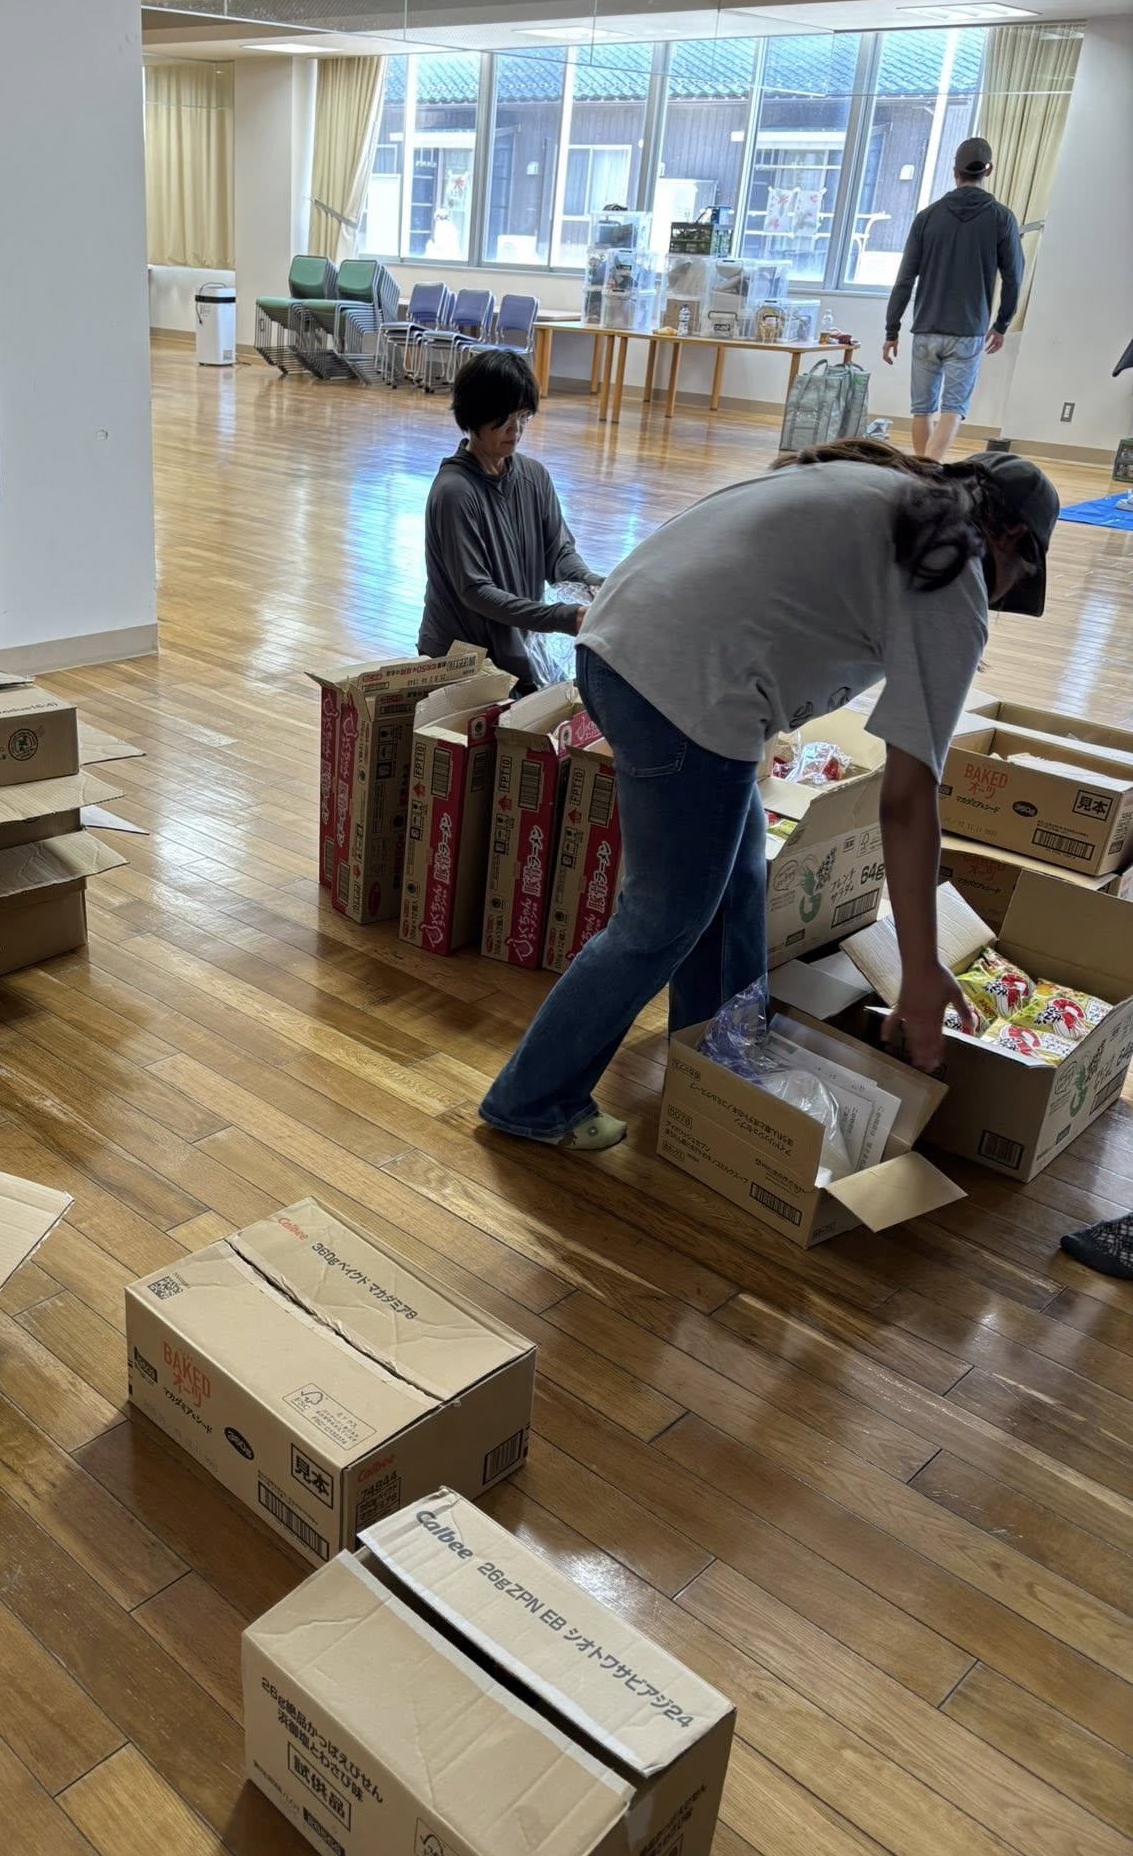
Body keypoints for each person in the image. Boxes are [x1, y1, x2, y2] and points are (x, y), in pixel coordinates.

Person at [479, 440, 1059, 1153]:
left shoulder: (889, 489)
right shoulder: (953, 562)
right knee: (663, 917)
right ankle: (532, 1098)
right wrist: (919, 967)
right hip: (683, 685)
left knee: (735, 876)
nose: (1002, 599)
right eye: (1019, 578)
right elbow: (908, 801)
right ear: (1011, 539)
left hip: (624, 649)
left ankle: (720, 1062)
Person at [418, 350, 602, 694]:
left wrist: (596, 585)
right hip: (460, 662)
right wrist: (564, 617)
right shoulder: (454, 492)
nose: (515, 429)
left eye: (523, 416)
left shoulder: (534, 476)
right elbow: (476, 591)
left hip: (515, 656)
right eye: (504, 418)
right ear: (474, 416)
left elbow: (559, 555)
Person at [882, 137, 1024, 462]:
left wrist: (892, 330)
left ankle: (923, 473)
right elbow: (1014, 277)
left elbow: (904, 279)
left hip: (926, 328)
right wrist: (1001, 324)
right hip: (968, 330)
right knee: (953, 410)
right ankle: (928, 472)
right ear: (989, 169)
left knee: (922, 410)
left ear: (953, 171)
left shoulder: (927, 217)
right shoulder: (1001, 218)